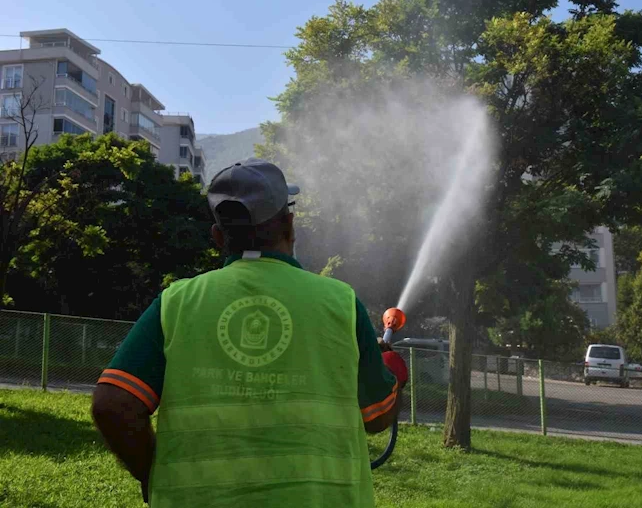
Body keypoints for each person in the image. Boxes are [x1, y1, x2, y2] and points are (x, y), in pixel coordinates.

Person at [91, 158, 407, 507]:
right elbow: (378, 416)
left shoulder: (176, 302)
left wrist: (153, 474)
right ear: (290, 225)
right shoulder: (341, 302)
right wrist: (394, 373)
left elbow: (113, 404)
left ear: (217, 237)